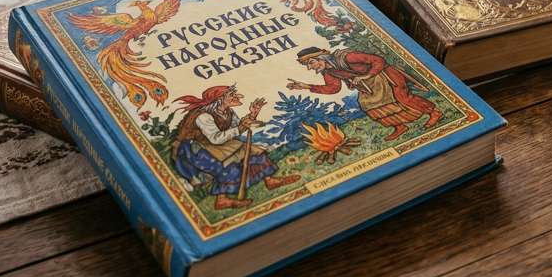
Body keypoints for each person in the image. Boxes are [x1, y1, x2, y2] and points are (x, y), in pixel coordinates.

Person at [171, 85, 299, 210]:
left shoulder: (227, 112)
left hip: (219, 145)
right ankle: (221, 200)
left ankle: (270, 180)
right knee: (228, 166)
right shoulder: (204, 116)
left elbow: (238, 126)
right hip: (198, 150)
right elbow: (216, 138)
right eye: (231, 95)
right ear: (220, 99)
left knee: (255, 151)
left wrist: (252, 115)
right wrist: (241, 127)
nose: (237, 96)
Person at [287, 47, 442, 141]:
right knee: (367, 104)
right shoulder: (328, 71)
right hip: (369, 85)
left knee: (402, 98)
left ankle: (434, 112)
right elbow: (333, 88)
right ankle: (399, 126)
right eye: (307, 65)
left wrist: (367, 75)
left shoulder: (346, 57)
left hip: (385, 75)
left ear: (321, 57)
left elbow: (378, 60)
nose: (310, 67)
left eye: (311, 62)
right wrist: (307, 86)